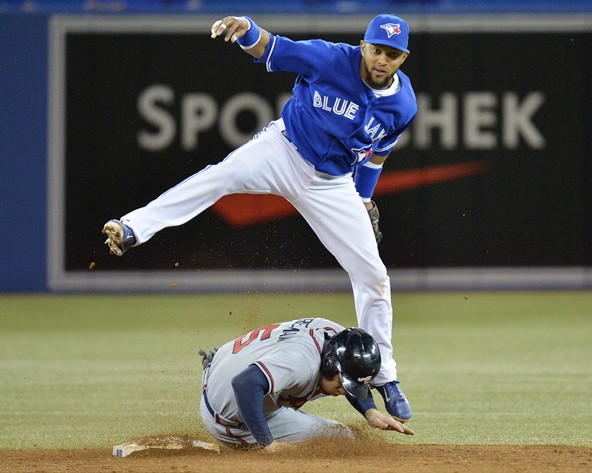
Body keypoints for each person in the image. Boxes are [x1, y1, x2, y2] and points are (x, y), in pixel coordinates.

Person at [102, 13, 417, 421]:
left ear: (403, 58)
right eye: (376, 49)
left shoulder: (403, 104)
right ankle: (133, 227)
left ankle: (385, 378)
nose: (381, 59)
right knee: (220, 176)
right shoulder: (329, 59)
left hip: (332, 184)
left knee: (373, 275)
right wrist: (246, 28)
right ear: (364, 46)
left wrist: (363, 198)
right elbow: (274, 48)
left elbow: (377, 152)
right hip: (283, 150)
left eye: (392, 54)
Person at [197, 317, 414, 450]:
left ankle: (219, 368)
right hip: (231, 415)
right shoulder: (302, 363)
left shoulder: (336, 337)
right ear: (329, 364)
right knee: (339, 438)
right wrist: (267, 444)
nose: (342, 392)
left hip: (226, 364)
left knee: (272, 382)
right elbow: (245, 383)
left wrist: (370, 411)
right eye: (343, 385)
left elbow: (347, 368)